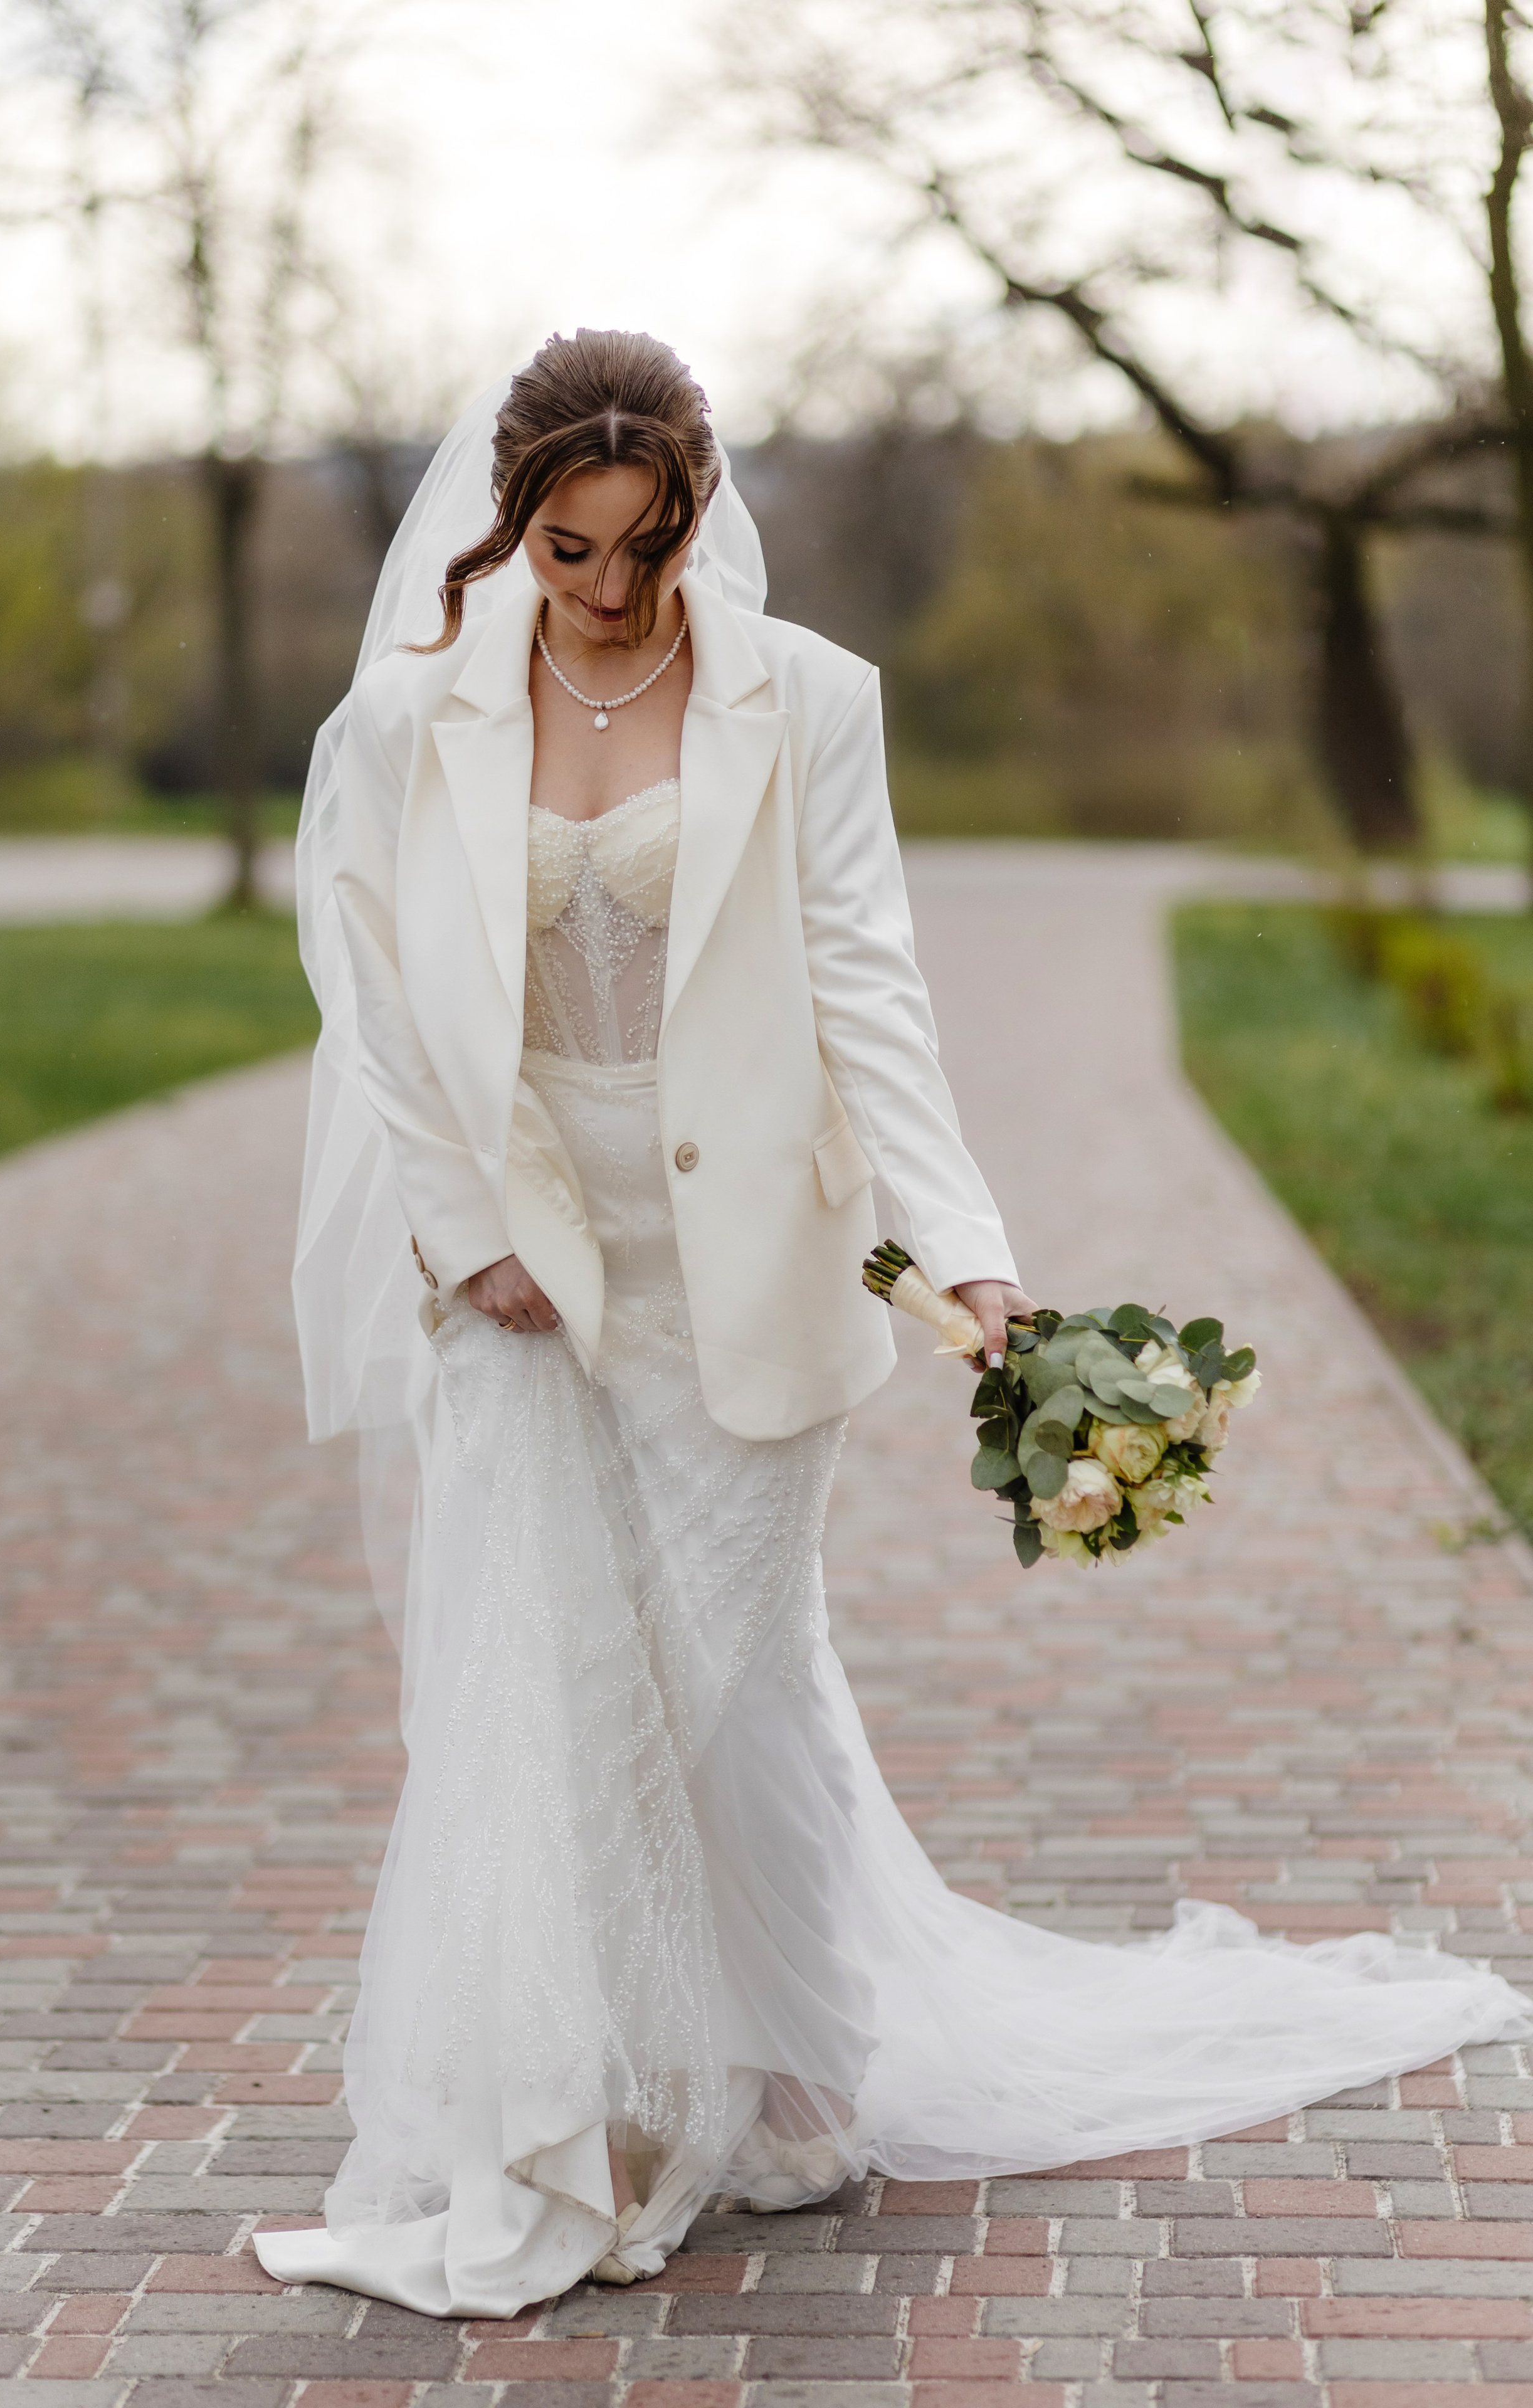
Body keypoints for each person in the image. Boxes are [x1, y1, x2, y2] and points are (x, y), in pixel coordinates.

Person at [256, 330, 1529, 2318]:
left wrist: (969, 1255)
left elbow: (868, 985)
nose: (609, 589)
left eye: (646, 545)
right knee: (559, 1688)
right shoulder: (419, 714)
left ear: (699, 512)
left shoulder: (812, 699)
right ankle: (598, 2108)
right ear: (511, 522)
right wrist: (466, 1229)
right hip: (526, 1275)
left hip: (756, 1267)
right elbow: (378, 996)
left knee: (734, 1674)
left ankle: (792, 2071)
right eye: (570, 549)